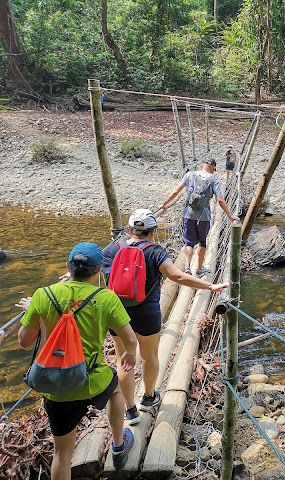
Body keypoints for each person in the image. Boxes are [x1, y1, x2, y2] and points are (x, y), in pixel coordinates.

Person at [18, 242, 138, 478]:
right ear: (99, 270)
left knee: (62, 455)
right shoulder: (106, 297)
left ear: (68, 267)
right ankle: (118, 445)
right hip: (92, 379)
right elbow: (130, 339)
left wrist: (32, 311)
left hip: (55, 386)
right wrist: (130, 354)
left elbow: (24, 341)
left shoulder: (43, 295)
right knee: (115, 389)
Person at [102, 209, 228, 425]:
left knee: (123, 359)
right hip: (147, 313)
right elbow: (177, 276)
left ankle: (130, 410)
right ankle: (149, 398)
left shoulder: (112, 248)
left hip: (116, 313)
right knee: (149, 356)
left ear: (129, 229)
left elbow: (90, 269)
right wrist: (210, 285)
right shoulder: (155, 252)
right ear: (153, 232)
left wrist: (70, 276)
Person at [159, 157, 239, 277]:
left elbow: (175, 191)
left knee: (189, 243)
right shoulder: (213, 179)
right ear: (214, 168)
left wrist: (164, 204)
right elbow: (220, 200)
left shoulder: (190, 175)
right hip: (204, 216)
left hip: (188, 214)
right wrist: (230, 216)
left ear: (202, 165)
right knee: (202, 242)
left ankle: (187, 267)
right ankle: (199, 269)